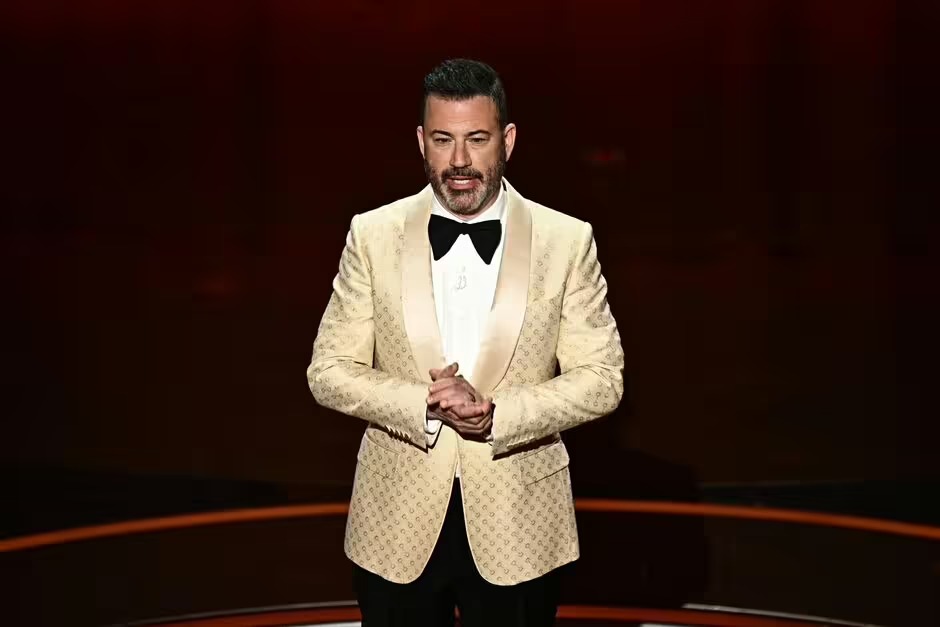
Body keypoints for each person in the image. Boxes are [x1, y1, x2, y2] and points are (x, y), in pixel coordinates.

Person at [307, 58, 624, 627]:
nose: (459, 161)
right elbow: (328, 370)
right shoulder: (372, 234)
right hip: (395, 522)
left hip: (519, 524)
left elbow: (602, 379)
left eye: (477, 140)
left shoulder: (566, 240)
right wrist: (423, 404)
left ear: (508, 140)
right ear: (421, 142)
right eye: (443, 140)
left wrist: (498, 414)